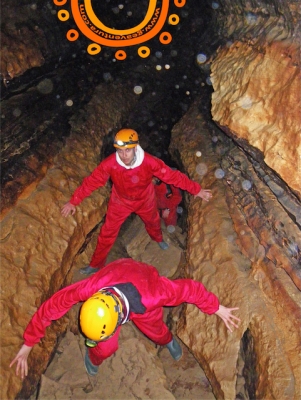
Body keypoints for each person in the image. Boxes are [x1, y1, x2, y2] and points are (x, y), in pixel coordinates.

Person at [10, 258, 240, 379]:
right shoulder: (90, 288)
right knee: (104, 347)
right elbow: (52, 306)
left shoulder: (155, 294)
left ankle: (167, 341)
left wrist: (216, 308)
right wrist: (28, 344)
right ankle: (94, 358)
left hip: (141, 283)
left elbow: (189, 289)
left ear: (119, 320)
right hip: (115, 275)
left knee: (157, 331)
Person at [61, 128, 213, 275]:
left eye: (127, 150)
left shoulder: (149, 162)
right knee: (107, 233)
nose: (123, 155)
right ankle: (95, 264)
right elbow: (92, 181)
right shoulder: (110, 163)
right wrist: (74, 201)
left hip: (145, 200)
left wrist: (196, 190)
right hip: (120, 201)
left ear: (135, 148)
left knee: (153, 222)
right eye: (120, 151)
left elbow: (173, 177)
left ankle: (158, 239)